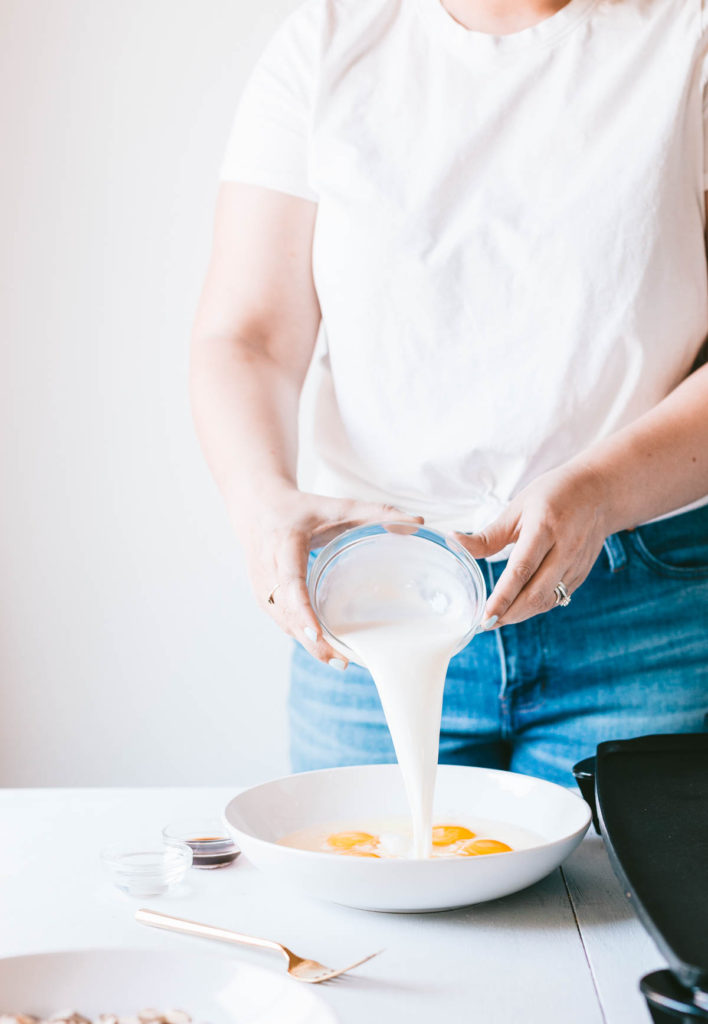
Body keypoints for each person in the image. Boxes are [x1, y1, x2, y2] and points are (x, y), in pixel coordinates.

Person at [190, 0, 708, 786]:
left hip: (638, 613)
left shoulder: (687, 37)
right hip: (370, 602)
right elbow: (249, 335)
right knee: (369, 900)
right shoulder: (328, 43)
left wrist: (600, 491)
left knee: (608, 911)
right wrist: (260, 500)